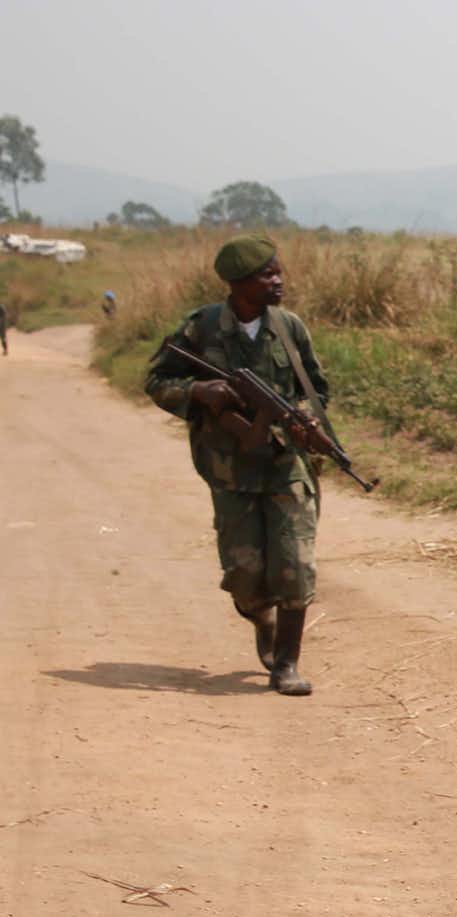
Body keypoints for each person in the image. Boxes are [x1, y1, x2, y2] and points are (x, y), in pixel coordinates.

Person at [142, 236, 334, 695]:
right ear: (239, 282)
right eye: (267, 274)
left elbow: (316, 387)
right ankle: (261, 620)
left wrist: (306, 418)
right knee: (246, 580)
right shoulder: (202, 328)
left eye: (278, 272)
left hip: (287, 465)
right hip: (230, 470)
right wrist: (198, 392)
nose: (278, 281)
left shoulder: (290, 327)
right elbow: (157, 380)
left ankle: (285, 664)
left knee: (295, 566)